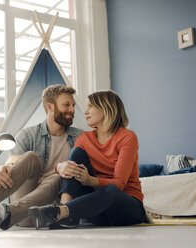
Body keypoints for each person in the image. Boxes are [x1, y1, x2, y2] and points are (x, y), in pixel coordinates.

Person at [0, 84, 83, 231]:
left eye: (73, 105)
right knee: (31, 157)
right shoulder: (28, 135)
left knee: (60, 176)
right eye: (66, 105)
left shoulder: (79, 137)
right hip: (25, 207)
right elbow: (13, 164)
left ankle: (5, 213)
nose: (72, 110)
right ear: (50, 107)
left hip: (49, 211)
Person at [28, 90, 147, 229]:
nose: (85, 112)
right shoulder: (85, 138)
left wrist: (90, 180)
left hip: (125, 207)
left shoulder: (127, 137)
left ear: (106, 108)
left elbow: (119, 184)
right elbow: (71, 165)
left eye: (90, 106)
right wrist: (59, 167)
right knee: (76, 154)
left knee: (112, 190)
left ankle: (62, 212)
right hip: (96, 210)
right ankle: (64, 208)